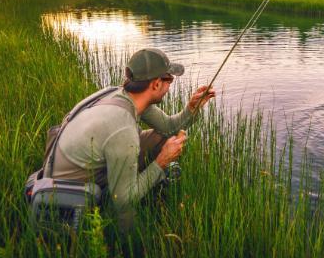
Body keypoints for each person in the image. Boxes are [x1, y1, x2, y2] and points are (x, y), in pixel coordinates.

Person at [46, 47, 215, 229]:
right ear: (156, 84)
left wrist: (192, 108)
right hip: (74, 190)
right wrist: (162, 161)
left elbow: (168, 128)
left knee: (164, 137)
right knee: (126, 204)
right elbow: (123, 200)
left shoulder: (122, 94)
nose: (170, 86)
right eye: (169, 80)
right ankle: (126, 240)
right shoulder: (122, 128)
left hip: (81, 165)